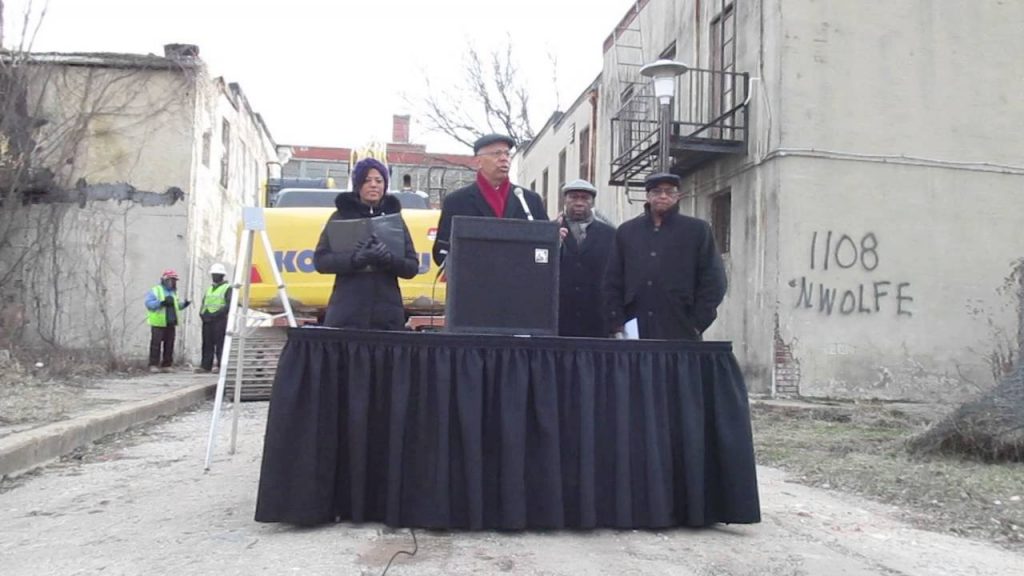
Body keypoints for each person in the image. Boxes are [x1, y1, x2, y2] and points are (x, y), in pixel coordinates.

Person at [603, 172, 727, 340]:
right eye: (656, 191)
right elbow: (612, 280)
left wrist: (698, 323)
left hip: (681, 325)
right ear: (647, 196)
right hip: (635, 325)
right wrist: (616, 322)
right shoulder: (627, 232)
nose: (663, 196)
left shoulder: (697, 230)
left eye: (669, 192)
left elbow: (714, 280)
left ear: (678, 196)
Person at [313, 157, 419, 330]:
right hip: (347, 312)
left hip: (387, 315)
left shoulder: (396, 220)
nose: (374, 185)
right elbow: (321, 261)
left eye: (379, 180)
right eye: (367, 180)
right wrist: (354, 259)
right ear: (358, 185)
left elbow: (412, 267)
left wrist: (389, 260)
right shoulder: (340, 217)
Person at [432, 133, 547, 266]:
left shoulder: (528, 200)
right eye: (497, 153)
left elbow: (545, 248)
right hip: (474, 282)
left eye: (507, 154)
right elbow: (440, 254)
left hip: (520, 280)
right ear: (478, 161)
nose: (504, 159)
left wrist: (557, 238)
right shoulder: (457, 201)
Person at [557, 179, 616, 338]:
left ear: (592, 202)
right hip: (560, 320)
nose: (579, 202)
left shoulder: (610, 234)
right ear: (565, 200)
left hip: (597, 320)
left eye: (584, 198)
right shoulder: (550, 230)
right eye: (574, 197)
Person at [144, 269, 191, 372]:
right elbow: (149, 304)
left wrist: (184, 304)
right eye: (171, 280)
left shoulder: (174, 293)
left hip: (170, 322)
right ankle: (153, 364)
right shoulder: (156, 290)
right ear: (165, 280)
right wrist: (161, 303)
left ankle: (167, 365)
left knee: (169, 344)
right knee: (156, 345)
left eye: (174, 280)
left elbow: (176, 306)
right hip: (158, 322)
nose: (173, 282)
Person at [197, 263, 232, 373]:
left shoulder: (228, 288)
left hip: (219, 320)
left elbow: (229, 304)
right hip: (207, 319)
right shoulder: (209, 289)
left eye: (216, 274)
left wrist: (217, 314)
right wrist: (202, 314)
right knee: (207, 343)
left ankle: (220, 366)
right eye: (213, 274)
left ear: (222, 275)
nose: (214, 276)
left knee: (220, 343)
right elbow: (204, 302)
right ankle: (205, 366)